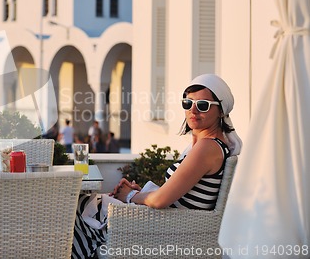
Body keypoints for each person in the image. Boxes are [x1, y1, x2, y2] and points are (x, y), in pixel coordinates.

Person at [71, 74, 243, 258]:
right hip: (169, 224)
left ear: (221, 111)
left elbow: (161, 201)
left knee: (78, 206)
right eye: (187, 103)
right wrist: (141, 195)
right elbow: (179, 197)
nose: (193, 110)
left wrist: (131, 196)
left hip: (166, 230)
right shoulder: (211, 145)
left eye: (203, 105)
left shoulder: (207, 147)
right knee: (90, 206)